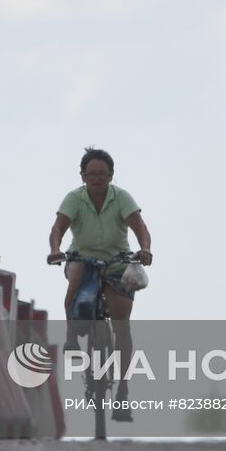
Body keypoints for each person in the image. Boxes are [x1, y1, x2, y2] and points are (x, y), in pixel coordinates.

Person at [47, 146, 152, 420]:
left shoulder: (121, 198)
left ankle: (123, 391)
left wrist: (145, 248)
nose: (96, 179)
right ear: (83, 176)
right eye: (91, 174)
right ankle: (71, 337)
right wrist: (56, 249)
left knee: (121, 322)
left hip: (117, 263)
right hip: (82, 259)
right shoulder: (74, 199)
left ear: (111, 176)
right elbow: (58, 228)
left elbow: (140, 226)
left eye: (102, 174)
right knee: (77, 274)